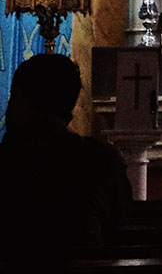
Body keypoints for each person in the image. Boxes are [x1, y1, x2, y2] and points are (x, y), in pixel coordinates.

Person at [0, 54, 132, 271]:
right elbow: (118, 222)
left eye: (12, 98)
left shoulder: (10, 158)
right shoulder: (102, 158)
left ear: (22, 101)